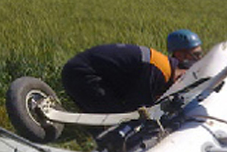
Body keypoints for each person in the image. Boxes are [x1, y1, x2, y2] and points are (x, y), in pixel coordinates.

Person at [62, 30, 202, 114]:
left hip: (85, 70)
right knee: (115, 120)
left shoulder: (162, 65)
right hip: (82, 73)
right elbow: (138, 108)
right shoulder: (160, 70)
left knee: (107, 117)